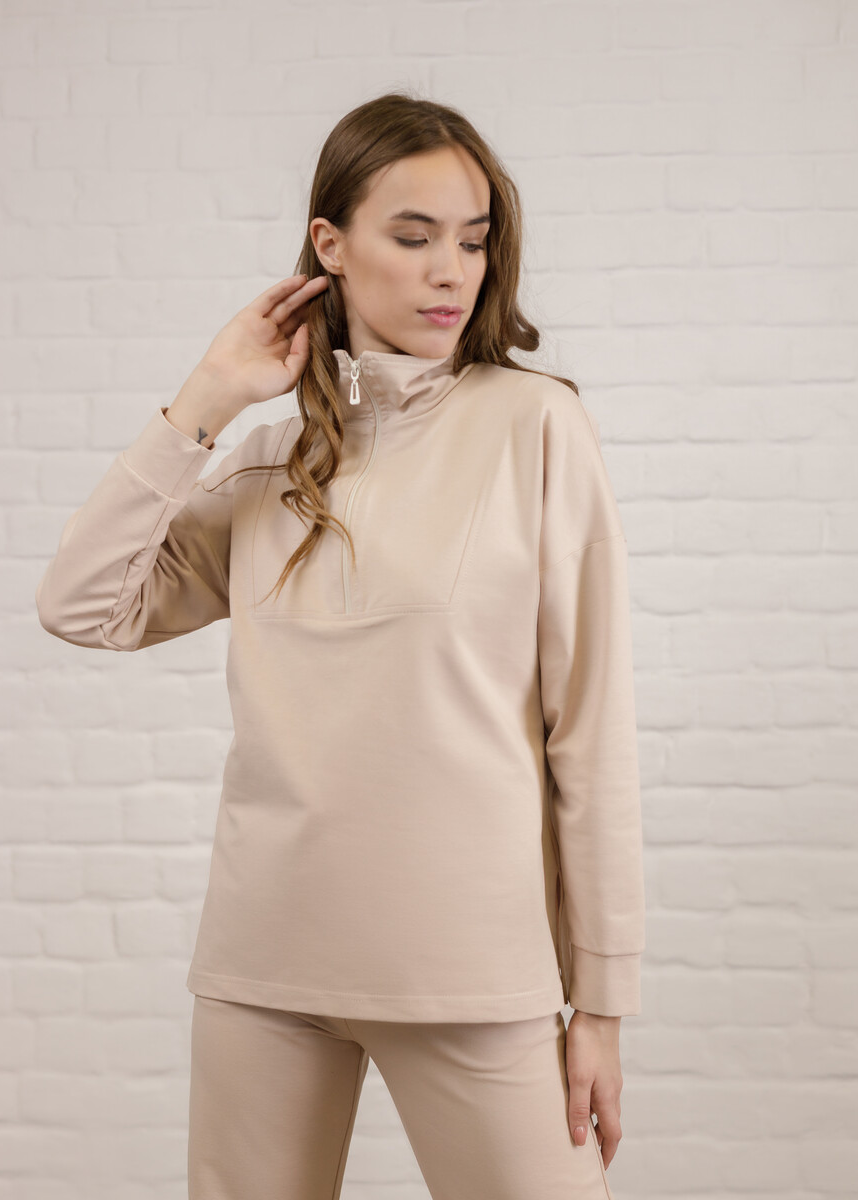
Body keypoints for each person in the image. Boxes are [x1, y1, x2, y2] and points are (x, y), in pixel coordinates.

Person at [35, 90, 645, 1200]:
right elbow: (83, 604)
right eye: (412, 238)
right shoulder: (268, 462)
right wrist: (207, 399)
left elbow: (590, 735)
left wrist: (600, 1003)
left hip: (470, 971)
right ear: (330, 244)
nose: (450, 273)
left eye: (472, 241)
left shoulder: (535, 426)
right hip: (265, 965)